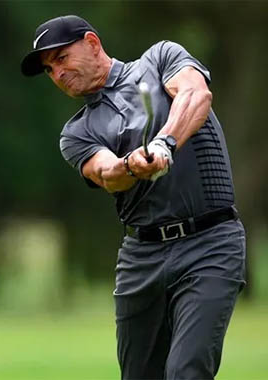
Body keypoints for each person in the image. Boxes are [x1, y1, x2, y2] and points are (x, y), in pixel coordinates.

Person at [21, 15, 246, 380]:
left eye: (61, 58)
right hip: (142, 258)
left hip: (210, 244)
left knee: (186, 371)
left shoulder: (160, 59)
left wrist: (165, 142)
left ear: (92, 43)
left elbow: (195, 94)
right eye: (49, 69)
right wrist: (132, 165)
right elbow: (107, 174)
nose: (57, 74)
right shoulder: (76, 132)